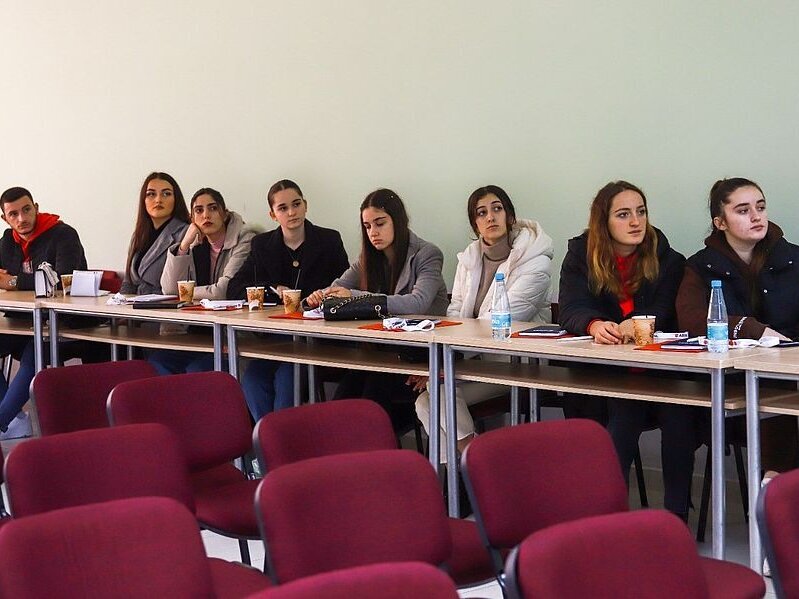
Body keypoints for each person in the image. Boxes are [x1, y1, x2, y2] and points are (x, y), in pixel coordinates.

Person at [559, 180, 695, 520]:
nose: (636, 222)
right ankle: (609, 519)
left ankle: (676, 518)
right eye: (623, 214)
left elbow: (663, 312)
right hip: (606, 373)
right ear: (603, 222)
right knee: (624, 408)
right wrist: (594, 324)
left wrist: (634, 325)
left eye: (641, 212)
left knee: (681, 413)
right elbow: (570, 308)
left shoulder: (668, 258)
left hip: (659, 373)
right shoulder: (580, 255)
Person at [414, 185, 553, 457]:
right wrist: (440, 362)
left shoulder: (536, 261)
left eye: (497, 209)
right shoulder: (468, 259)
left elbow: (497, 325)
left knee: (437, 395)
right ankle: (471, 466)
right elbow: (454, 314)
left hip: (517, 365)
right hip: (474, 362)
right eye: (481, 213)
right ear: (475, 224)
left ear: (510, 216)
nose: (490, 217)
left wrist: (442, 363)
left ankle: (475, 467)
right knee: (425, 401)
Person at [676, 177, 799, 479]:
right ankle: (774, 487)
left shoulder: (793, 259)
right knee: (770, 392)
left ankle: (774, 485)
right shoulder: (701, 266)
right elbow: (690, 320)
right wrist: (749, 328)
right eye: (743, 211)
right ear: (720, 223)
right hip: (733, 379)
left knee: (777, 387)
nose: (756, 217)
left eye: (761, 207)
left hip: (790, 372)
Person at [306, 188, 448, 430]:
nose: (373, 232)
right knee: (345, 394)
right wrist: (318, 296)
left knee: (373, 391)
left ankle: (374, 451)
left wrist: (356, 297)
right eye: (367, 226)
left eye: (380, 223)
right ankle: (342, 452)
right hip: (381, 354)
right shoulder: (368, 258)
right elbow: (338, 287)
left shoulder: (427, 254)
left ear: (398, 221)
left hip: (419, 357)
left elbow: (418, 303)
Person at [227, 180, 349, 420]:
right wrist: (272, 291)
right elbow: (235, 288)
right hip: (277, 339)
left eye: (296, 204)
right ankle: (266, 439)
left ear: (306, 205)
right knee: (252, 379)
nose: (292, 212)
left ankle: (284, 438)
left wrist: (323, 296)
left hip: (318, 339)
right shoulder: (262, 245)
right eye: (283, 208)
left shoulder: (329, 240)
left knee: (287, 377)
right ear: (273, 215)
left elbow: (346, 288)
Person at [0, 186, 90, 439]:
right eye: (13, 214)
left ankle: (2, 421)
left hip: (64, 323)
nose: (21, 218)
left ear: (36, 208)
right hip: (22, 321)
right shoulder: (7, 241)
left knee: (35, 350)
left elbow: (60, 280)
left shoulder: (63, 234)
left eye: (26, 210)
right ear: (5, 218)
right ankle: (15, 420)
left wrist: (13, 281)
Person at [148, 187, 255, 375]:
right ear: (192, 219)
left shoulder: (245, 239)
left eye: (213, 208)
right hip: (199, 333)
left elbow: (223, 291)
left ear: (224, 214)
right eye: (199, 210)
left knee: (197, 370)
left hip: (234, 336)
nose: (206, 215)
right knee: (157, 362)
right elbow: (168, 289)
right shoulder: (196, 243)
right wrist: (183, 246)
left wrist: (185, 294)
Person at [120, 172, 190, 295]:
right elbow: (128, 282)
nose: (158, 200)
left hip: (166, 303)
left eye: (166, 194)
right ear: (144, 200)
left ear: (176, 199)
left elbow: (185, 283)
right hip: (135, 303)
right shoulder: (138, 235)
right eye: (151, 194)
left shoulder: (186, 233)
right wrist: (121, 302)